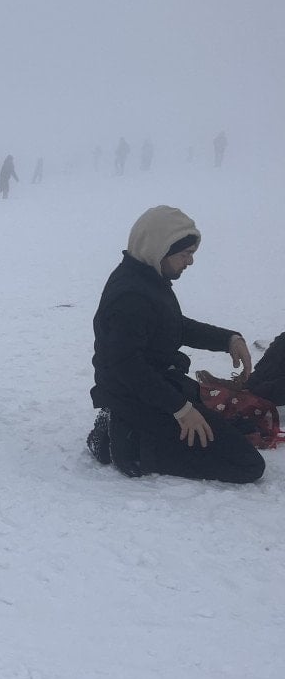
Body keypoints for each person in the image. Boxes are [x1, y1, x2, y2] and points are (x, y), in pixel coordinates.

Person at [86, 205, 264, 483]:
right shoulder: (131, 297)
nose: (190, 262)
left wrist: (227, 339)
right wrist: (181, 409)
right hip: (134, 395)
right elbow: (126, 366)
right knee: (247, 465)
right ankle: (127, 443)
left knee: (235, 429)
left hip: (155, 385)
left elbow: (170, 325)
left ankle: (133, 425)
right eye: (185, 254)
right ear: (160, 249)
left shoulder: (146, 278)